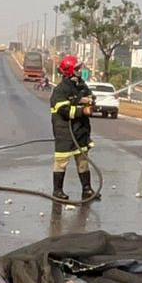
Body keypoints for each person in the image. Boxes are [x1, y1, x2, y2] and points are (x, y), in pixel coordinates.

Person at [50, 55, 97, 202]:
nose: (80, 70)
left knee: (83, 160)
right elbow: (63, 110)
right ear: (69, 70)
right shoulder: (60, 90)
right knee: (61, 161)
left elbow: (89, 95)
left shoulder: (81, 85)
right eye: (77, 68)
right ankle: (57, 191)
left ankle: (87, 190)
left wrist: (90, 100)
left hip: (81, 131)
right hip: (65, 132)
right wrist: (82, 110)